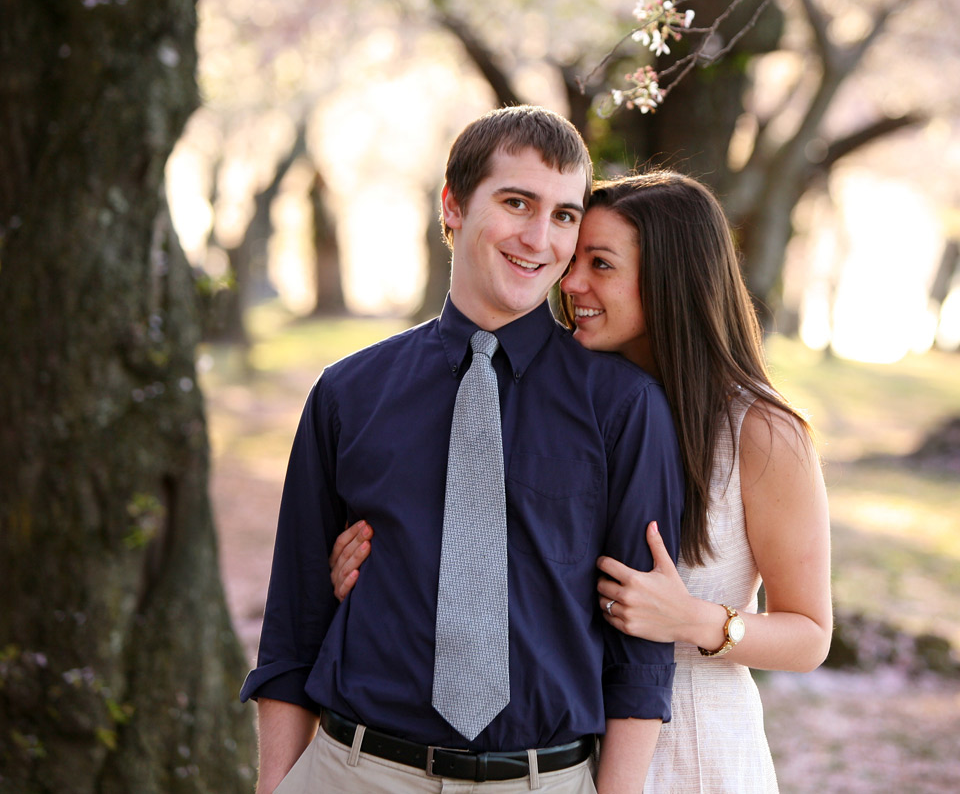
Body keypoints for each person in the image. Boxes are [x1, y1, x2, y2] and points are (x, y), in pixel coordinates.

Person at [331, 171, 833, 792]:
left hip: (691, 755)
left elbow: (810, 635)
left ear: (671, 279)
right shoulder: (565, 400)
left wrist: (694, 620)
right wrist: (372, 571)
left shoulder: (760, 431)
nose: (570, 283)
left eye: (600, 264)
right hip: (564, 753)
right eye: (575, 260)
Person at [241, 107, 685, 794]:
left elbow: (642, 652)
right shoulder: (347, 393)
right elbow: (295, 623)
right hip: (355, 770)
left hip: (542, 778)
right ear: (452, 206)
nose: (540, 238)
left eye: (565, 215)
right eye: (517, 203)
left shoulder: (622, 406)